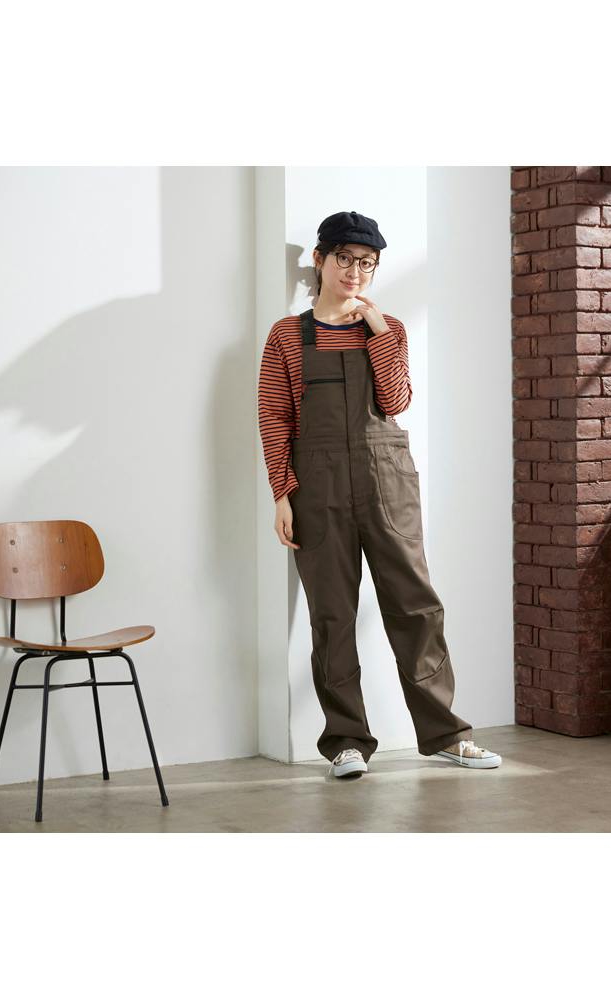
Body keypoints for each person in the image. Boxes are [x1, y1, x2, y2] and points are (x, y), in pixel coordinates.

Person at [258, 210, 501, 779]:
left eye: (366, 263)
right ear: (320, 259)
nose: (355, 272)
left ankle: (446, 735)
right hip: (316, 488)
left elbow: (395, 401)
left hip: (386, 481)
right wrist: (282, 494)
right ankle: (346, 742)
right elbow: (274, 417)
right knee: (332, 615)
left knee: (416, 606)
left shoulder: (386, 327)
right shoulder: (287, 336)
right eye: (345, 259)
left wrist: (378, 333)